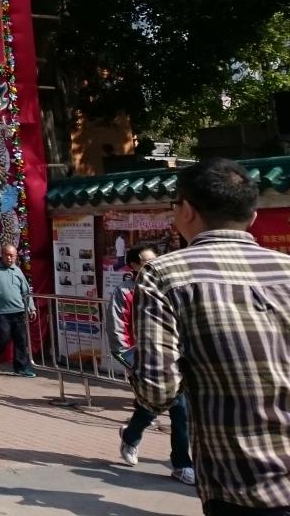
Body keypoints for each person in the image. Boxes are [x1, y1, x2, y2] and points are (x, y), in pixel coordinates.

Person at [132, 158, 290, 515]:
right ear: (252, 216)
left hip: (240, 483)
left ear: (186, 210)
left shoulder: (163, 275)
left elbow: (156, 391)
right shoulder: (286, 268)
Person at [108, 242, 194, 484]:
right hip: (143, 360)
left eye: (155, 260)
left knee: (179, 410)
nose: (153, 265)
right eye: (146, 262)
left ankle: (181, 463)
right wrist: (131, 359)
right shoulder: (125, 292)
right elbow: (117, 330)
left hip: (173, 358)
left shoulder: (169, 288)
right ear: (134, 265)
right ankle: (132, 436)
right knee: (153, 405)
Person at [0, 244, 37, 377]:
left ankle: (21, 367)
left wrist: (31, 307)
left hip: (19, 310)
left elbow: (26, 291)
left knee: (21, 339)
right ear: (1, 255)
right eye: (6, 255)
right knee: (3, 336)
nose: (9, 258)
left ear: (16, 257)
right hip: (0, 311)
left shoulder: (17, 270)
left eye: (12, 256)